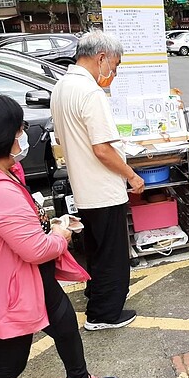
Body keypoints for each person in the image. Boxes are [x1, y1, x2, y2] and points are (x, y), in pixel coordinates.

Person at [0, 94, 119, 378]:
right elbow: (35, 249)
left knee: (62, 322)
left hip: (20, 278)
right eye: (19, 129)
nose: (23, 135)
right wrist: (60, 236)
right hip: (7, 288)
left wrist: (47, 223)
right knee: (5, 365)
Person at [51, 30, 144, 331]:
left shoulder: (62, 85)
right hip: (103, 190)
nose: (113, 73)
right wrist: (131, 175)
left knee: (96, 250)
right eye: (114, 66)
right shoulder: (90, 92)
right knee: (112, 256)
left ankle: (96, 298)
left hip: (84, 187)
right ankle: (104, 314)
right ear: (101, 58)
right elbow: (102, 148)